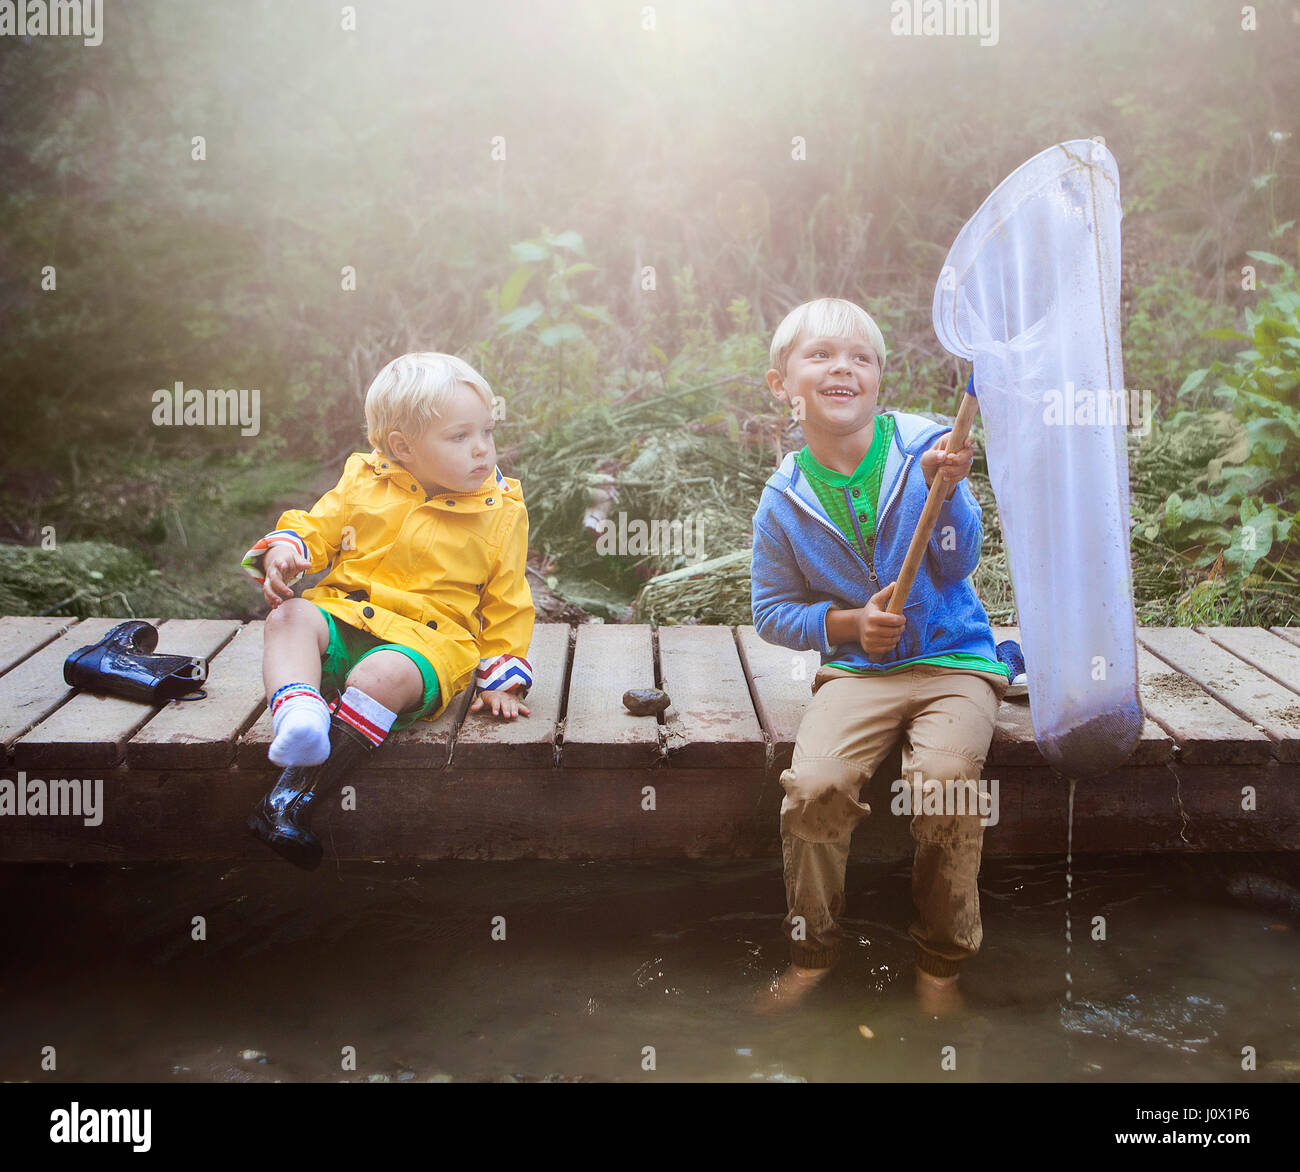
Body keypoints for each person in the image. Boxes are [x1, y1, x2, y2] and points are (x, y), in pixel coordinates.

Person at [749, 298, 1009, 1015]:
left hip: (955, 662)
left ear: (878, 379)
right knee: (814, 788)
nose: (843, 367)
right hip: (861, 671)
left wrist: (944, 492)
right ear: (782, 385)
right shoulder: (784, 498)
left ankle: (940, 962)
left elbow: (958, 565)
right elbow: (771, 612)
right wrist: (847, 624)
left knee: (946, 779)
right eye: (822, 355)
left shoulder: (925, 442)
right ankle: (812, 952)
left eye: (861, 358)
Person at [240, 352, 534, 869]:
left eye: (486, 431)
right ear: (402, 447)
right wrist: (290, 548)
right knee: (288, 618)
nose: (482, 449)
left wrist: (501, 677)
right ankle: (300, 713)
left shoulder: (500, 512)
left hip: (427, 643)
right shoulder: (364, 482)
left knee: (379, 674)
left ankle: (290, 799)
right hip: (348, 617)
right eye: (460, 437)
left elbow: (508, 602)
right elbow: (320, 529)